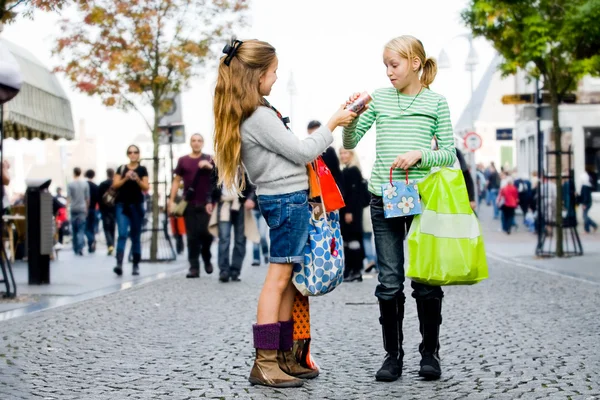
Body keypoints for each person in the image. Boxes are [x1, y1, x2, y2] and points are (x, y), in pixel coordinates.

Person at [212, 39, 356, 388]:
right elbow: (303, 150)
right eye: (273, 71)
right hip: (287, 200)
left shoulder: (253, 113)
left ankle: (282, 357)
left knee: (288, 283)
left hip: (287, 199)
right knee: (277, 281)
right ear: (258, 75)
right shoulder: (259, 116)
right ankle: (265, 362)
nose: (276, 78)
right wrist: (333, 121)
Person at [343, 35, 456, 382]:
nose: (389, 72)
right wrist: (349, 119)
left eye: (394, 65)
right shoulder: (378, 99)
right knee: (389, 281)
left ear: (415, 64)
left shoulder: (436, 102)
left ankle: (430, 354)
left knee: (425, 280)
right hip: (383, 197)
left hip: (423, 200)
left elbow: (449, 153)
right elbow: (350, 143)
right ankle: (393, 356)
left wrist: (422, 154)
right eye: (386, 66)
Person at [168, 133, 215, 279]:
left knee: (207, 235)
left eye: (199, 140)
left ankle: (206, 257)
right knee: (192, 237)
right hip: (189, 203)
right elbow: (176, 181)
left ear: (203, 143)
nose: (196, 143)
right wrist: (171, 200)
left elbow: (219, 177)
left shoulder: (209, 158)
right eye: (194, 140)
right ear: (190, 143)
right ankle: (194, 267)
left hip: (207, 204)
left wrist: (210, 166)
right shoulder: (183, 160)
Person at [210, 170, 255, 282]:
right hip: (224, 204)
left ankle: (235, 270)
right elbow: (212, 184)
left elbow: (253, 184)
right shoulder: (219, 164)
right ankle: (224, 271)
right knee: (224, 238)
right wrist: (209, 201)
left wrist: (250, 198)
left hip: (241, 204)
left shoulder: (244, 163)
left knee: (240, 239)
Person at [111, 145, 149, 276]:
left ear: (139, 154)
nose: (133, 154)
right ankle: (119, 264)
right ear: (127, 154)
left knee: (135, 236)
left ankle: (135, 265)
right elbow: (115, 185)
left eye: (135, 152)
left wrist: (137, 179)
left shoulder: (142, 169)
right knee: (122, 234)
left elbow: (146, 187)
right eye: (130, 152)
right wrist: (126, 177)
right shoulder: (121, 168)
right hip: (122, 205)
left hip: (137, 206)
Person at [339, 148, 365, 282]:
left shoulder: (352, 170)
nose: (343, 156)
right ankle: (351, 270)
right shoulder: (347, 170)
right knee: (349, 242)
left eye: (345, 153)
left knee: (353, 241)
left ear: (352, 155)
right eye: (341, 153)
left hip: (351, 212)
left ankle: (355, 270)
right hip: (349, 211)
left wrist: (349, 211)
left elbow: (353, 194)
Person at [307, 120, 343, 188]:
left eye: (317, 129)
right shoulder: (307, 150)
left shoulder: (330, 151)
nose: (315, 131)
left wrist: (340, 189)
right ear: (309, 131)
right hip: (314, 189)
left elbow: (337, 172)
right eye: (313, 129)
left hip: (329, 188)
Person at [67, 167, 89, 256]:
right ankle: (80, 247)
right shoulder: (85, 184)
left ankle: (75, 247)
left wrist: (66, 208)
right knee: (81, 229)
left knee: (74, 229)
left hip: (73, 208)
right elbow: (87, 198)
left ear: (74, 173)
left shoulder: (70, 184)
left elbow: (68, 198)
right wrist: (87, 208)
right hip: (82, 208)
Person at [98, 168, 117, 255]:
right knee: (112, 228)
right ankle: (112, 244)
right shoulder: (115, 184)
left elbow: (99, 198)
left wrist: (101, 207)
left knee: (106, 228)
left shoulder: (102, 184)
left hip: (104, 209)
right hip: (114, 209)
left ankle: (109, 245)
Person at [84, 169, 99, 253]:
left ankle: (91, 240)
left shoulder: (84, 185)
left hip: (85, 209)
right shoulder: (95, 186)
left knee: (86, 228)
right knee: (92, 227)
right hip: (93, 209)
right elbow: (98, 199)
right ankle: (92, 242)